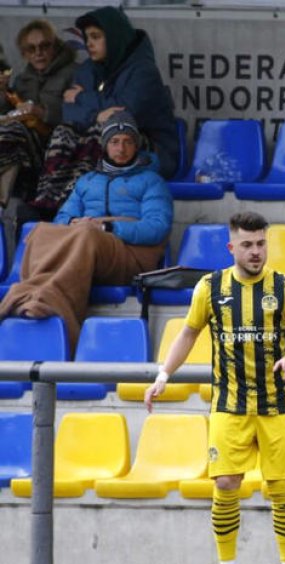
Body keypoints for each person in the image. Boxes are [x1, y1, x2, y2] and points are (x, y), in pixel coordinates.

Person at [144, 211, 285, 564]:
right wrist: (162, 375)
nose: (256, 252)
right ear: (232, 247)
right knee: (225, 483)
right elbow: (188, 332)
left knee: (282, 489)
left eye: (261, 244)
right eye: (247, 245)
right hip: (229, 404)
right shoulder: (211, 287)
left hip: (276, 405)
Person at [0, 110, 171, 350]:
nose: (121, 148)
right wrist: (73, 223)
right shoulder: (88, 180)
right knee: (41, 230)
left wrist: (106, 226)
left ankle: (57, 306)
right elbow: (63, 217)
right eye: (114, 142)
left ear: (136, 146)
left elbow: (157, 228)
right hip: (89, 245)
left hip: (131, 255)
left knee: (87, 234)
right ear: (105, 146)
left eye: (127, 142)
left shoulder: (152, 181)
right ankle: (30, 293)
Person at [32, 6, 176, 215]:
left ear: (115, 36)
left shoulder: (144, 71)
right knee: (64, 132)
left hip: (151, 149)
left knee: (103, 132)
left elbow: (126, 115)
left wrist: (82, 98)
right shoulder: (88, 69)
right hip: (108, 141)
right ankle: (48, 201)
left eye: (96, 37)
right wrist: (97, 114)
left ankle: (72, 205)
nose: (89, 43)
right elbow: (68, 112)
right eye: (87, 37)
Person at [0, 19, 77, 213]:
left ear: (55, 47)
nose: (38, 53)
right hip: (28, 147)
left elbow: (82, 114)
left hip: (61, 146)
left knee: (12, 132)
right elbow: (8, 112)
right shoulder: (22, 80)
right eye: (31, 48)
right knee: (8, 132)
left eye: (44, 46)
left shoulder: (73, 72)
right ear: (24, 54)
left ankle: (3, 200)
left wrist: (41, 112)